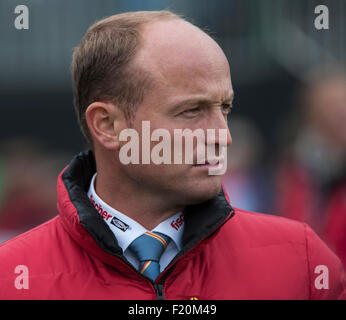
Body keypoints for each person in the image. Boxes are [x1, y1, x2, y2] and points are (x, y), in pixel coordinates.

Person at [0, 11, 344, 300]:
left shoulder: (301, 261)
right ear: (106, 125)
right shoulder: (14, 278)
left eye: (224, 108)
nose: (223, 137)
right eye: (192, 111)